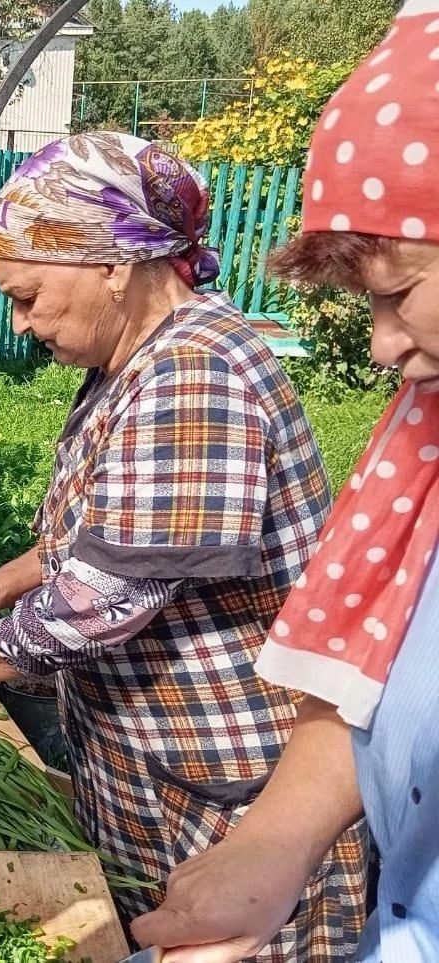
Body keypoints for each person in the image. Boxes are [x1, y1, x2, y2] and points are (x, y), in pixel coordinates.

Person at [0, 131, 368, 959]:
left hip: (228, 804)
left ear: (113, 262)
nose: (18, 321)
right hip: (157, 773)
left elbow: (99, 603)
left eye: (28, 295)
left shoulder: (196, 376)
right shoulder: (136, 358)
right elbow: (98, 536)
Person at [130, 5, 439, 960]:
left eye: (400, 293)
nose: (388, 346)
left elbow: (130, 570)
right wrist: (270, 845)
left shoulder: (199, 365)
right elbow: (378, 675)